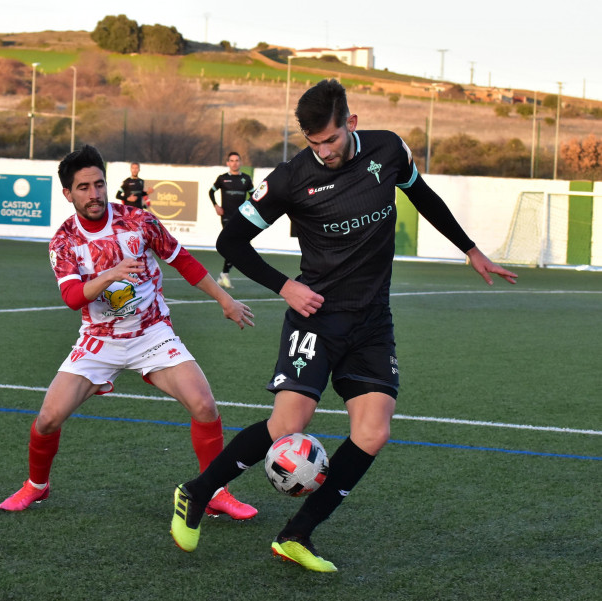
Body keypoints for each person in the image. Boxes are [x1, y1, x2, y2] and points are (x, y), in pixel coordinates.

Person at [170, 79, 518, 572]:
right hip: (316, 317)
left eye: (330, 140)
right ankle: (198, 492)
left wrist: (471, 250)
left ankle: (296, 534)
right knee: (289, 424)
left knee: (373, 432)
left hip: (373, 320)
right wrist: (284, 286)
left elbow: (423, 195)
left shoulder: (388, 148)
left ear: (350, 123)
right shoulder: (291, 178)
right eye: (313, 143)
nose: (324, 151)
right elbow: (232, 241)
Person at [0, 144, 258, 521]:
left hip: (152, 334)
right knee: (48, 419)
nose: (94, 193)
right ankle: (37, 486)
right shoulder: (64, 241)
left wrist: (224, 299)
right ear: (67, 193)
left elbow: (181, 260)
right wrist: (110, 274)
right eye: (84, 187)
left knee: (204, 405)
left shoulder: (139, 220)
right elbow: (72, 297)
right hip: (98, 341)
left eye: (99, 184)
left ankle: (215, 491)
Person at [208, 152, 254, 288]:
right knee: (233, 243)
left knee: (238, 244)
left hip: (241, 216)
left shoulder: (246, 179)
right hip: (227, 216)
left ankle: (224, 274)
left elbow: (254, 196)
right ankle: (224, 274)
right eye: (231, 160)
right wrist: (216, 206)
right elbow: (211, 191)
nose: (234, 163)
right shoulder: (222, 179)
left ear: (240, 162)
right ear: (228, 163)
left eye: (237, 160)